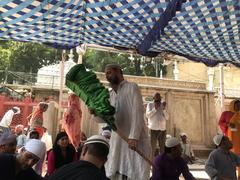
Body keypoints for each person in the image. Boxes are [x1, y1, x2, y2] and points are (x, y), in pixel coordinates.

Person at [92, 64, 151, 180]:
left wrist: (133, 137)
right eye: (106, 74)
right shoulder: (109, 95)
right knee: (117, 171)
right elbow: (104, 118)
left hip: (135, 140)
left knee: (135, 172)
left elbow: (137, 112)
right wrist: (94, 112)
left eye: (109, 72)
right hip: (118, 140)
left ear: (119, 72)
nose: (107, 75)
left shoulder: (132, 87)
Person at [146, 93, 167, 157]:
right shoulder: (150, 104)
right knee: (152, 148)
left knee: (162, 148)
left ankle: (161, 164)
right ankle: (151, 164)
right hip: (153, 129)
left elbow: (167, 117)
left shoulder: (163, 105)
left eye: (159, 99)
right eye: (157, 99)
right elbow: (148, 115)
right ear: (154, 99)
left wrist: (164, 110)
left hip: (162, 129)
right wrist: (155, 108)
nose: (158, 101)